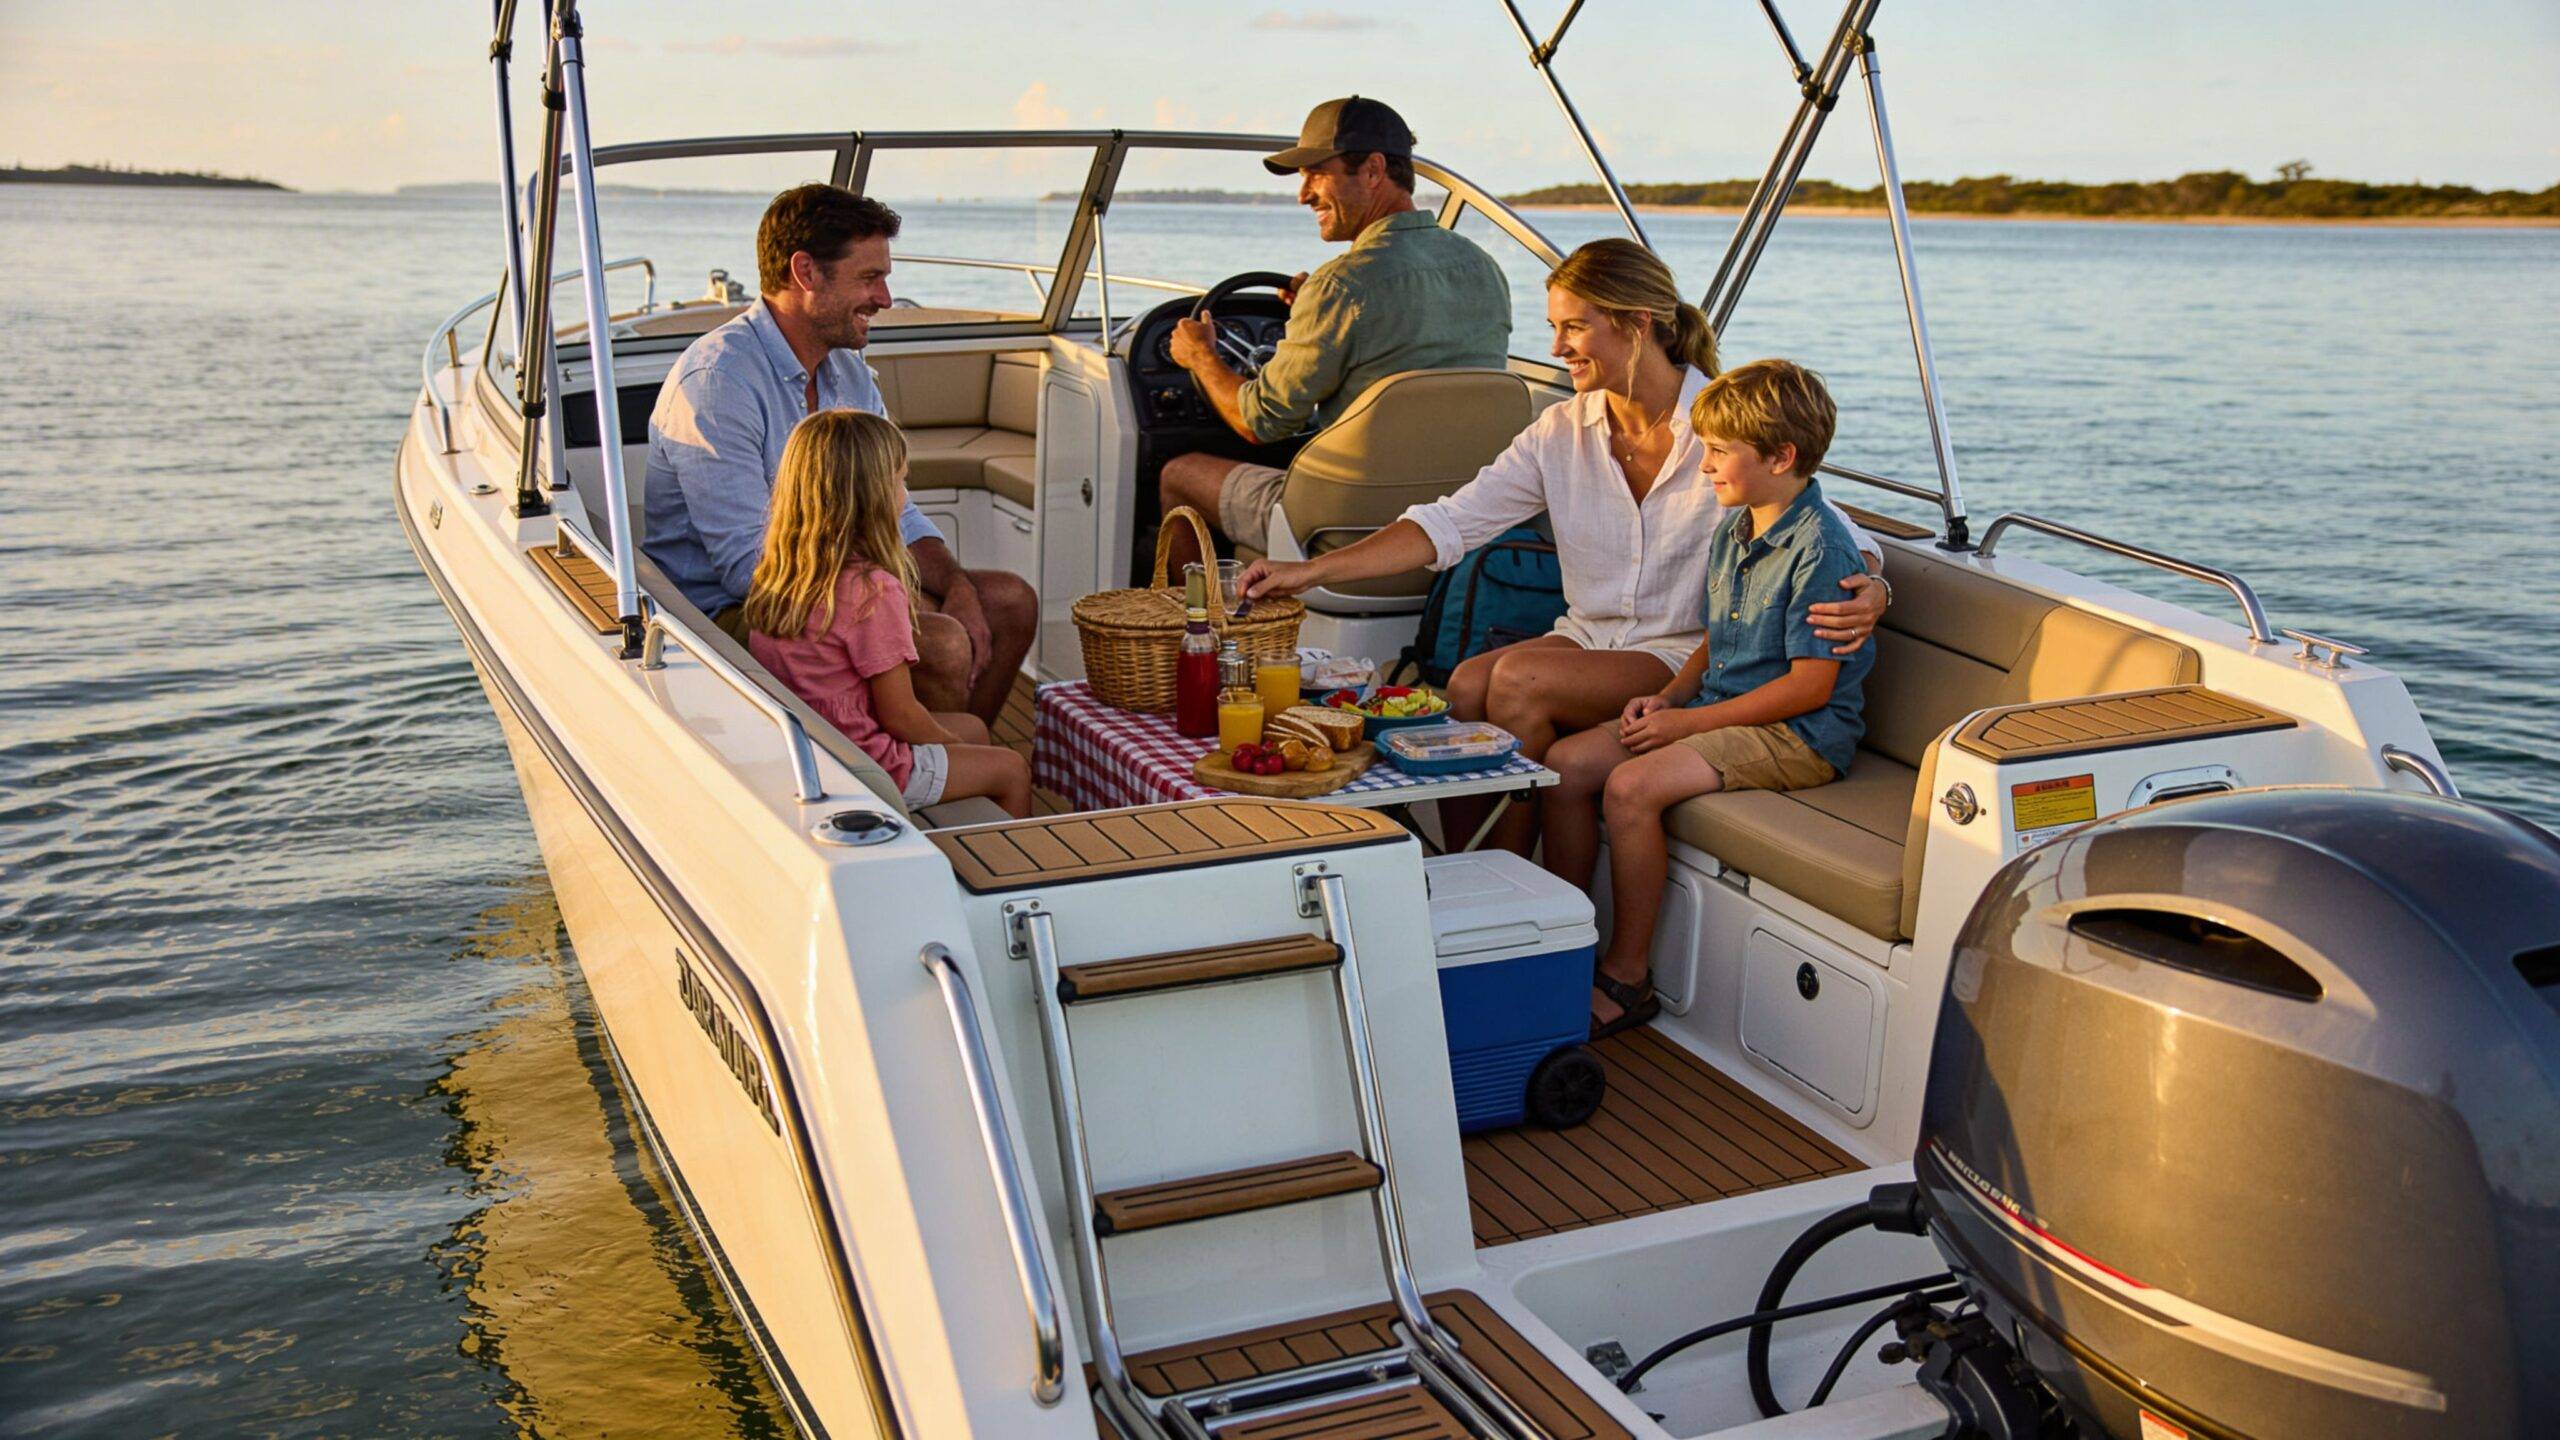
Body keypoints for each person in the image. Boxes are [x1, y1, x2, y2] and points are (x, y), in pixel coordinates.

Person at [1239, 239, 1889, 853]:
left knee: (1519, 681)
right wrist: (1309, 571)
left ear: (1637, 324)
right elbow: (1449, 523)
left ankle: (1511, 873)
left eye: (1574, 327)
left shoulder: (1721, 427)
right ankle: (1473, 863)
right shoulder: (1561, 430)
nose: (1556, 348)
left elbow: (1836, 534)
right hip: (1588, 638)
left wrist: (1875, 591)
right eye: (1554, 328)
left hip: (1683, 652)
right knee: (1466, 684)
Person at [1545, 360, 1874, 1036]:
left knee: (1631, 787)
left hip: (1799, 734)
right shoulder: (1738, 524)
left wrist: (1688, 726)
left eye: (1721, 452)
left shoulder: (1822, 551)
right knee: (1565, 766)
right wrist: (1668, 699)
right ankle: (1561, 946)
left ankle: (1628, 975)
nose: (1705, 466)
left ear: (1781, 457)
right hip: (1722, 706)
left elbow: (1811, 687)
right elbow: (1716, 636)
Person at [643, 184, 1036, 727]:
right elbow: (747, 569)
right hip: (729, 614)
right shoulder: (717, 382)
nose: (885, 299)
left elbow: (896, 510)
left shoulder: (845, 370)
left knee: (1009, 603)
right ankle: (916, 768)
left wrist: (957, 586)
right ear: (806, 272)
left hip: (831, 582)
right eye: (869, 278)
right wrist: (883, 602)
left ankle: (956, 755)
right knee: (942, 642)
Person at [1158, 96, 1511, 569]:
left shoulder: (1341, 285)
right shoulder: (1483, 268)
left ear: (1373, 170)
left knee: (1178, 475)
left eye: (1316, 174)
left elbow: (1259, 422)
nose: (1303, 195)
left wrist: (1201, 356)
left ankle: (1189, 617)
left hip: (1343, 533)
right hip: (1454, 526)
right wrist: (1312, 309)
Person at [742, 410, 1033, 818]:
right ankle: (1000, 858)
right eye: (900, 481)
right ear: (873, 497)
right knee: (1013, 769)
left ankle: (957, 835)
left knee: (975, 728)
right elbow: (901, 716)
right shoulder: (872, 591)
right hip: (870, 767)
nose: (905, 496)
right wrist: (950, 745)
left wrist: (957, 742)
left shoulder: (782, 574)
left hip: (814, 751)